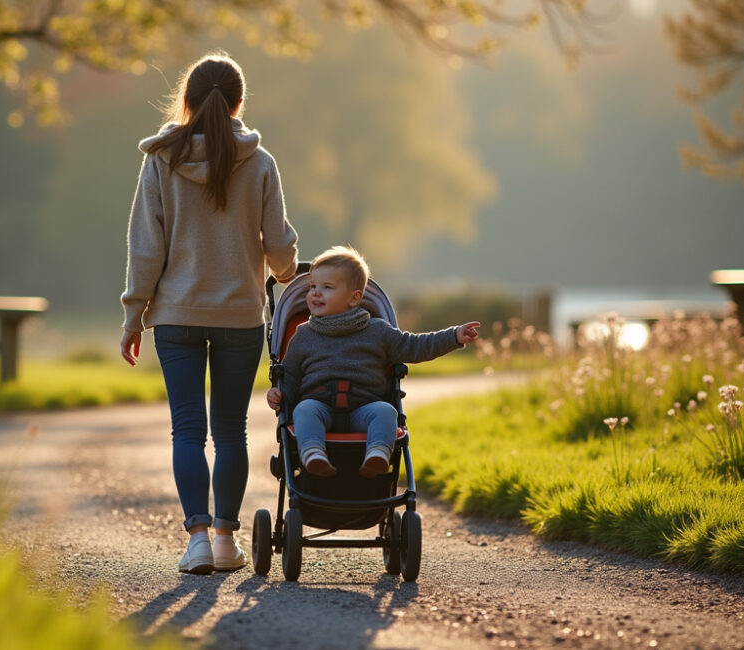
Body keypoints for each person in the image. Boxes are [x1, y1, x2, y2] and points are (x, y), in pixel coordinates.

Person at [119, 52, 299, 574]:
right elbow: (282, 253)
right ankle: (225, 541)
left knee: (186, 430)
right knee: (230, 431)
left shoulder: (161, 161)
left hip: (175, 316)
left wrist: (134, 316)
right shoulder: (261, 163)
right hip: (240, 317)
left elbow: (145, 249)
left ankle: (196, 537)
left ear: (188, 102)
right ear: (239, 103)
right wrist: (284, 268)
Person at [265, 246, 480, 478]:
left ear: (355, 297)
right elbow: (291, 375)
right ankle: (313, 454)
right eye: (312, 287)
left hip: (363, 409)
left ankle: (378, 453)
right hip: (319, 406)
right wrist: (279, 394)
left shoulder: (378, 331)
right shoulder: (303, 336)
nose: (315, 293)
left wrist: (454, 336)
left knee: (386, 411)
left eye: (327, 288)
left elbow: (416, 345)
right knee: (304, 410)